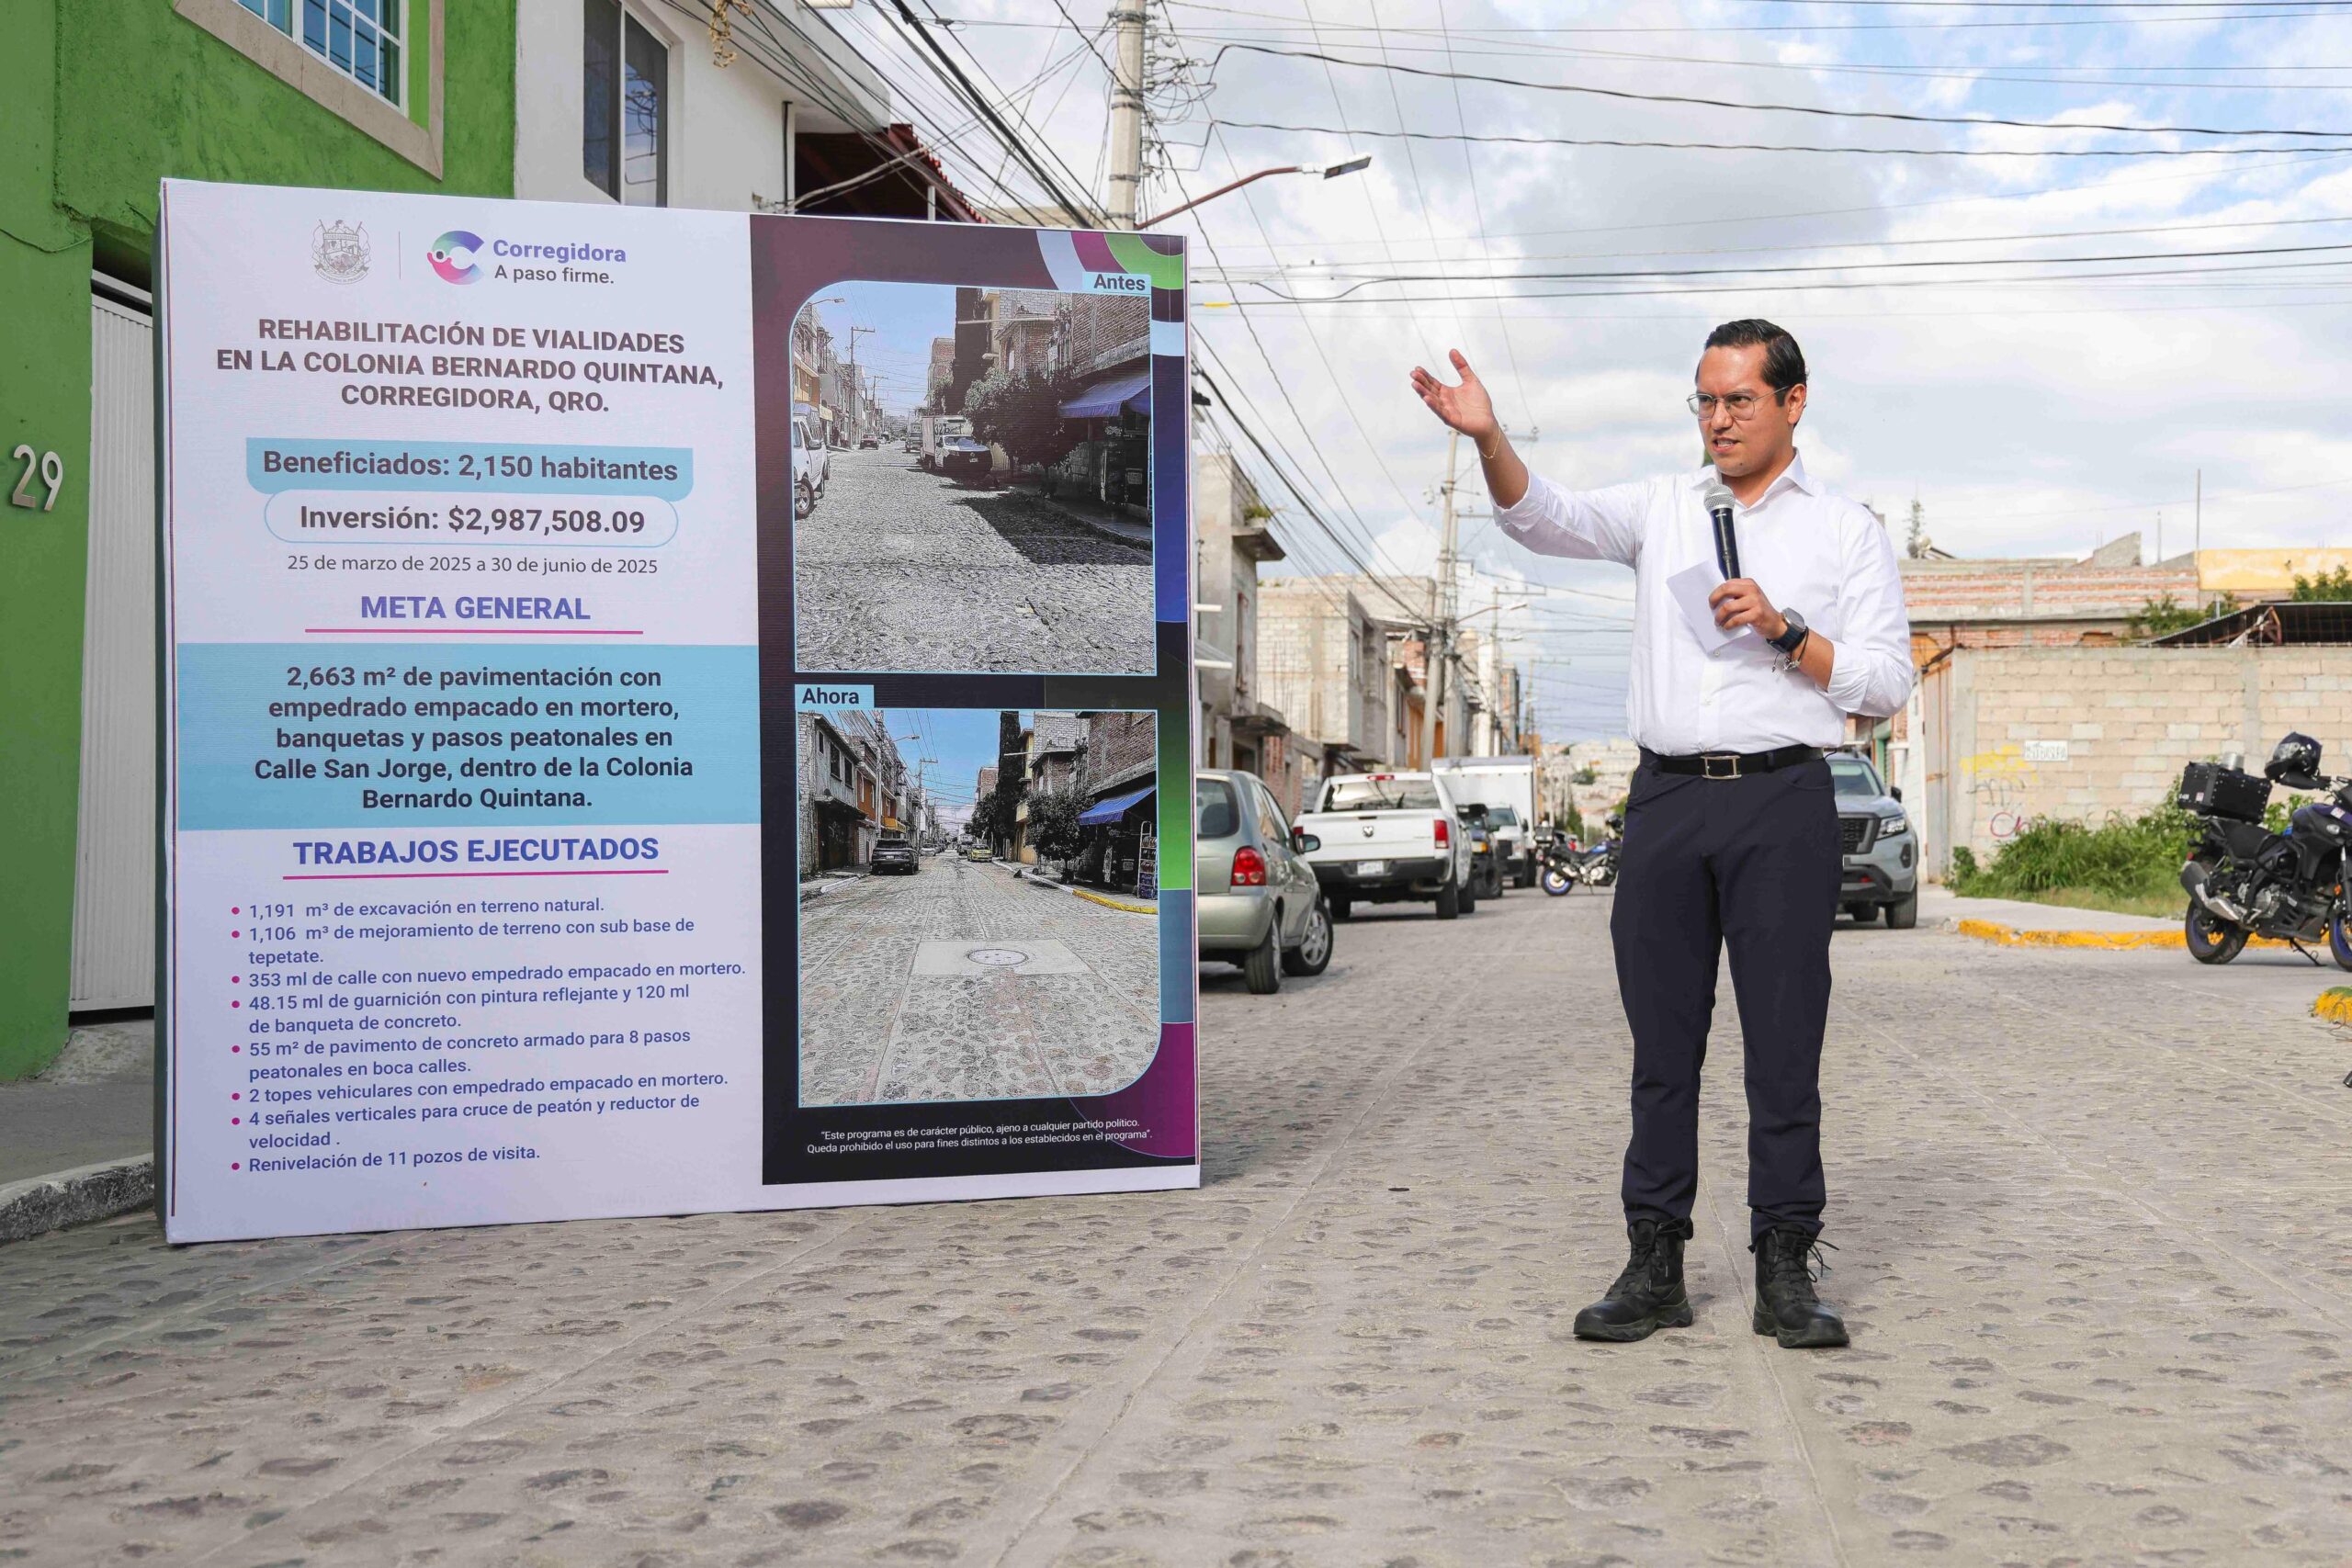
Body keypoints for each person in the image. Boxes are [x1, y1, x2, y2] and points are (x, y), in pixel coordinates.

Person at [1409, 320, 1913, 1349]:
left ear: (1792, 403)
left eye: (1738, 401)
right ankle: (1655, 1263)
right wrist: (1487, 439)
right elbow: (1540, 520)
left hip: (1784, 799)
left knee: (1783, 1044)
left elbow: (1885, 680)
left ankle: (1784, 1263)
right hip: (1669, 800)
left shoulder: (1845, 531)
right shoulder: (1662, 506)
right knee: (1661, 1046)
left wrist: (1785, 632)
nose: (1717, 420)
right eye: (1704, 401)